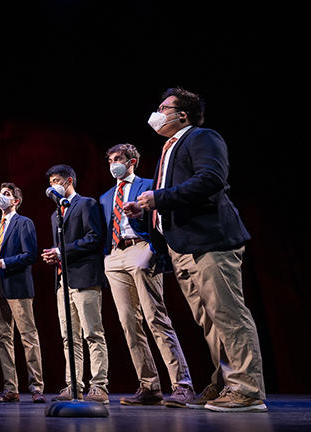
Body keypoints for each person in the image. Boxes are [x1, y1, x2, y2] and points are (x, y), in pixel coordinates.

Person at [130, 87, 266, 412]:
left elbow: (211, 179)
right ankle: (224, 385)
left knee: (228, 313)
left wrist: (159, 198)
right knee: (209, 320)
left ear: (183, 115)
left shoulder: (202, 137)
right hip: (183, 247)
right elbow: (174, 193)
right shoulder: (169, 147)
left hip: (210, 241)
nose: (157, 113)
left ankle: (248, 390)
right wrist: (148, 208)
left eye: (164, 107)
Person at [100, 143, 194, 407]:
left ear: (132, 162)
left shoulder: (149, 185)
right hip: (116, 255)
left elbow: (164, 214)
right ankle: (149, 386)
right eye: (110, 159)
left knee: (155, 317)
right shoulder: (106, 197)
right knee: (129, 323)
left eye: (118, 158)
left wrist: (146, 215)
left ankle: (182, 384)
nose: (113, 163)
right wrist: (107, 256)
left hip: (141, 248)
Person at [41, 164, 109, 404]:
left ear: (69, 181)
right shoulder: (54, 214)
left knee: (92, 333)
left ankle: (99, 386)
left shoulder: (86, 204)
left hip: (86, 278)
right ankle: (74, 385)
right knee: (68, 337)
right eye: (50, 183)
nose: (53, 186)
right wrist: (55, 256)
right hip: (64, 281)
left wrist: (61, 251)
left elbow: (94, 238)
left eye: (57, 181)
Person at [0, 183, 46, 404]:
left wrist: (2, 263)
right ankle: (11, 388)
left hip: (18, 287)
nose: (2, 197)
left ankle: (37, 387)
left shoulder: (24, 223)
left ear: (15, 201)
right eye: (1, 193)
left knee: (28, 337)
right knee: (3, 339)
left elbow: (30, 255)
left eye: (7, 194)